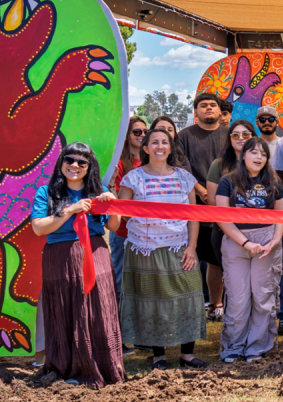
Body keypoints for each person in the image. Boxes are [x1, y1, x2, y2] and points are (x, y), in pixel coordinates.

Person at [109, 128, 207, 370]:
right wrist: (108, 196)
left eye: (165, 142)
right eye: (154, 142)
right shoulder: (133, 178)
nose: (160, 146)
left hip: (179, 248)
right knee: (153, 301)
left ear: (171, 148)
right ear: (146, 148)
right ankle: (158, 355)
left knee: (189, 297)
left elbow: (193, 216)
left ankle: (187, 354)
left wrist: (192, 247)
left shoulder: (185, 178)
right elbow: (121, 213)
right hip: (145, 250)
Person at [30, 143, 124, 387]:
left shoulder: (98, 190)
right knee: (65, 310)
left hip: (95, 254)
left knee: (98, 311)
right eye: (69, 160)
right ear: (61, 162)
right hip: (59, 259)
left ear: (89, 167)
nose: (75, 166)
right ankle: (67, 369)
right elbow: (39, 228)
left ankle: (104, 368)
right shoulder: (46, 192)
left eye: (82, 162)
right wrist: (69, 210)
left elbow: (113, 226)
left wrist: (112, 203)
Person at [215, 136, 283, 363]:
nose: (259, 157)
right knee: (238, 298)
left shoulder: (274, 182)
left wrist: (275, 240)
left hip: (267, 243)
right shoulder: (228, 181)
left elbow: (281, 215)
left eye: (263, 154)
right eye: (254, 152)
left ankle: (257, 347)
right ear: (243, 155)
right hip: (237, 243)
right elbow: (222, 218)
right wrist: (245, 242)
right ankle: (233, 347)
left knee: (263, 296)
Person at [178, 93, 229, 322]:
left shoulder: (231, 134)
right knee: (205, 258)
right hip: (196, 207)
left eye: (212, 105)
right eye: (203, 105)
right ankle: (212, 303)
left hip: (229, 206)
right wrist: (200, 190)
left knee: (223, 259)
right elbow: (181, 167)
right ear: (195, 111)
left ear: (220, 111)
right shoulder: (185, 136)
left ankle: (224, 304)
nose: (208, 108)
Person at [205, 119, 258, 322]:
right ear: (229, 139)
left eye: (246, 134)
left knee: (254, 283)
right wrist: (232, 230)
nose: (241, 138)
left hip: (257, 233)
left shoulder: (262, 162)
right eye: (235, 134)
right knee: (233, 282)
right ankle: (233, 326)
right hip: (225, 232)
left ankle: (254, 326)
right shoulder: (219, 165)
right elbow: (212, 201)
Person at [108, 116, 147, 327]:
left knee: (143, 283)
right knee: (121, 282)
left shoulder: (151, 162)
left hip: (149, 235)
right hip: (123, 232)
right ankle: (118, 330)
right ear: (127, 135)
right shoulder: (120, 164)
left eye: (144, 132)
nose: (142, 135)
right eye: (137, 132)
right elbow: (115, 197)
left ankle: (139, 330)